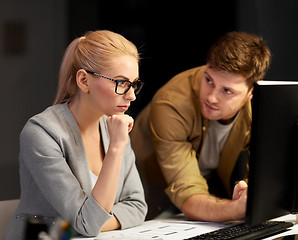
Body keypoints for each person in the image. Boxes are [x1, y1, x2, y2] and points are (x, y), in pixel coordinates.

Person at [5, 30, 147, 239]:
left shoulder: (115, 124)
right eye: (120, 82)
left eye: (134, 84)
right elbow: (86, 224)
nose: (132, 95)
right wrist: (116, 148)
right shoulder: (41, 132)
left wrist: (91, 223)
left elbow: (137, 207)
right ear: (83, 80)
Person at [130, 31, 271, 222]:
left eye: (227, 90)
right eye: (208, 80)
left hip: (207, 190)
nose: (212, 97)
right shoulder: (171, 104)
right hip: (150, 191)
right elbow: (187, 193)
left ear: (250, 93)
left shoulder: (260, 108)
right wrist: (239, 208)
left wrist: (247, 192)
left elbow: (260, 175)